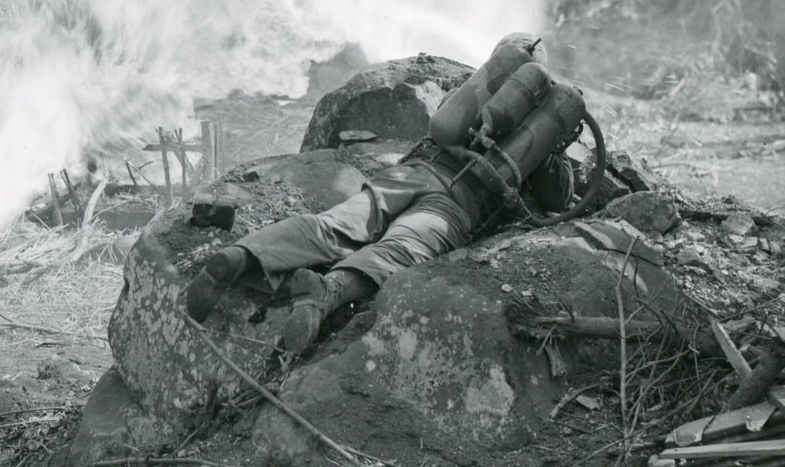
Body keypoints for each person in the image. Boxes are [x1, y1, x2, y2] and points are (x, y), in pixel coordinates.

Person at [185, 34, 583, 354]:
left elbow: (442, 125)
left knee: (337, 224)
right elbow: (556, 201)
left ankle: (246, 254)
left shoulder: (476, 96)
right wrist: (554, 148)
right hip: (456, 205)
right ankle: (327, 293)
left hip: (410, 174)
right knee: (399, 248)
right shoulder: (540, 131)